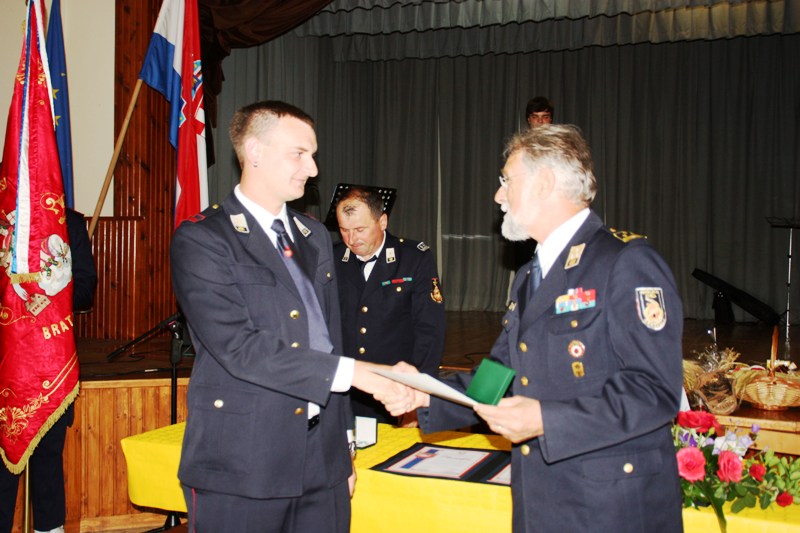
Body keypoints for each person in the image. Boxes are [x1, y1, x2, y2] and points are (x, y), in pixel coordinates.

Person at [382, 124, 684, 532]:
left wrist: (546, 420)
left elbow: (654, 390)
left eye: (507, 180)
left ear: (543, 183)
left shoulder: (625, 262)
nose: (498, 195)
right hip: (542, 499)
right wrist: (426, 392)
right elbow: (500, 376)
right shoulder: (530, 275)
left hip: (612, 506)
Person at [170, 101, 401, 533]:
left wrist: (343, 446)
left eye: (312, 155)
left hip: (322, 460)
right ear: (254, 152)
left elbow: (329, 339)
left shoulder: (312, 235)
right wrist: (357, 374)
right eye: (300, 154)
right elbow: (240, 348)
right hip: (243, 461)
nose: (313, 169)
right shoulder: (204, 238)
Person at [0, 207, 97, 533]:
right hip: (5, 365)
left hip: (50, 364)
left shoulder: (69, 222)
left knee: (48, 464)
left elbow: (85, 286)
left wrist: (51, 301)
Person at [334, 186, 445, 426]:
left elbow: (429, 330)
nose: (352, 239)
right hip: (345, 391)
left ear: (382, 221)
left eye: (360, 229)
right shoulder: (332, 259)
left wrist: (419, 393)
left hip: (396, 391)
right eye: (344, 230)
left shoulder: (414, 258)